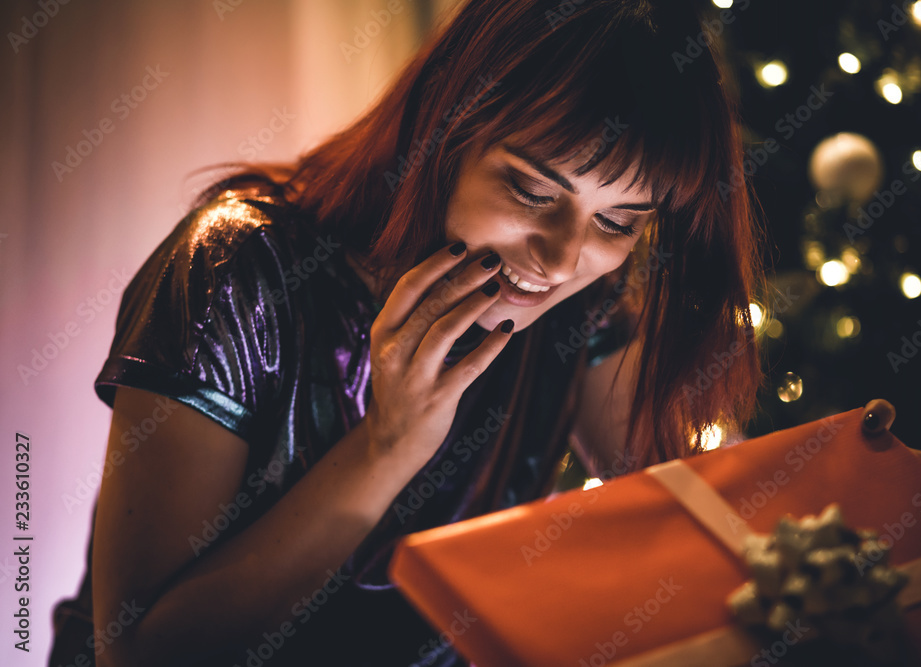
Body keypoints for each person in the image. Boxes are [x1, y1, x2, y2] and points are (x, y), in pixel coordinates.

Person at [48, 0, 767, 665]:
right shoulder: (240, 268)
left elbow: (697, 528)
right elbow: (141, 649)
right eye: (530, 190)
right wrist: (388, 446)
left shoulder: (583, 303)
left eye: (617, 223)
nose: (558, 259)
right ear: (443, 132)